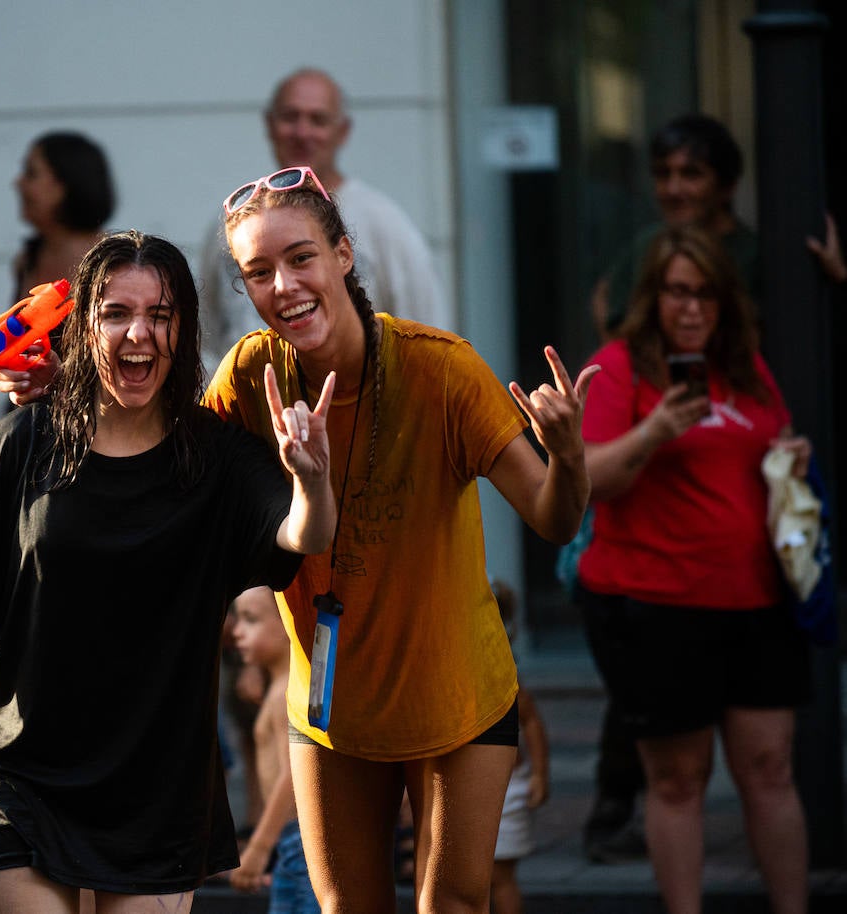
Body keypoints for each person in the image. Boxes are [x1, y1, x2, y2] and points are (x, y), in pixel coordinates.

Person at [0, 229, 338, 912]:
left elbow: (303, 535)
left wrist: (312, 479)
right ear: (84, 325)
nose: (138, 334)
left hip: (157, 784)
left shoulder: (219, 460)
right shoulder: (23, 443)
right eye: (116, 313)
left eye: (160, 314)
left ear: (184, 329)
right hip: (18, 770)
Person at [207, 165, 594, 914]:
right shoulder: (250, 374)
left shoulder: (439, 367)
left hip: (459, 700)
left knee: (449, 905)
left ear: (343, 255)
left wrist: (569, 457)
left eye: (300, 258)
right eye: (258, 271)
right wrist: (64, 386)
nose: (282, 285)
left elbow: (553, 519)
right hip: (330, 710)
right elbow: (166, 470)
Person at [576, 225, 812, 914]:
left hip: (758, 603)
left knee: (770, 768)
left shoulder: (746, 368)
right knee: (678, 780)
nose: (692, 309)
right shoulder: (621, 367)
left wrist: (788, 462)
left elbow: (767, 445)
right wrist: (654, 432)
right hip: (654, 607)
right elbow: (587, 478)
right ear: (653, 297)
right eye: (678, 292)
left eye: (706, 294)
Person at [198, 68, 447, 370]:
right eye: (291, 117)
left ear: (342, 132)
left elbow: (428, 341)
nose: (302, 132)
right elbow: (207, 336)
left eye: (318, 120)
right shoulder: (237, 221)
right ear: (270, 124)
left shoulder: (386, 224)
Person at [591, 113, 844, 340]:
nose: (673, 189)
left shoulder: (758, 256)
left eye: (691, 174)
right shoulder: (649, 244)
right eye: (663, 174)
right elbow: (605, 296)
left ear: (727, 186)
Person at [227, 587, 317, 913]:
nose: (236, 630)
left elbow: (293, 777)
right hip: (291, 840)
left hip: (298, 840)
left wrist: (259, 846)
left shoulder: (286, 694)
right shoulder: (279, 687)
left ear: (290, 622)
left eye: (250, 620)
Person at [489, 581, 549, 914]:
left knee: (500, 878)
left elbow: (532, 721)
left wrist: (540, 773)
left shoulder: (505, 676)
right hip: (462, 788)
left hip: (508, 789)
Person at [11, 131, 115, 301]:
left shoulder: (109, 261)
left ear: (65, 184)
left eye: (31, 173)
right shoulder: (28, 260)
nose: (19, 183)